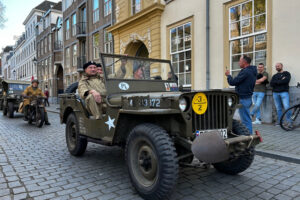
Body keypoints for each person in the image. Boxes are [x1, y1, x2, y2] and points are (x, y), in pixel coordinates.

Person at [225, 55, 257, 134]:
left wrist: (228, 75)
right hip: (247, 98)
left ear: (244, 62)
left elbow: (233, 82)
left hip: (243, 98)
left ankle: (248, 138)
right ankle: (245, 135)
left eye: (240, 61)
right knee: (245, 118)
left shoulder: (246, 72)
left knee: (246, 120)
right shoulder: (252, 71)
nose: (238, 62)